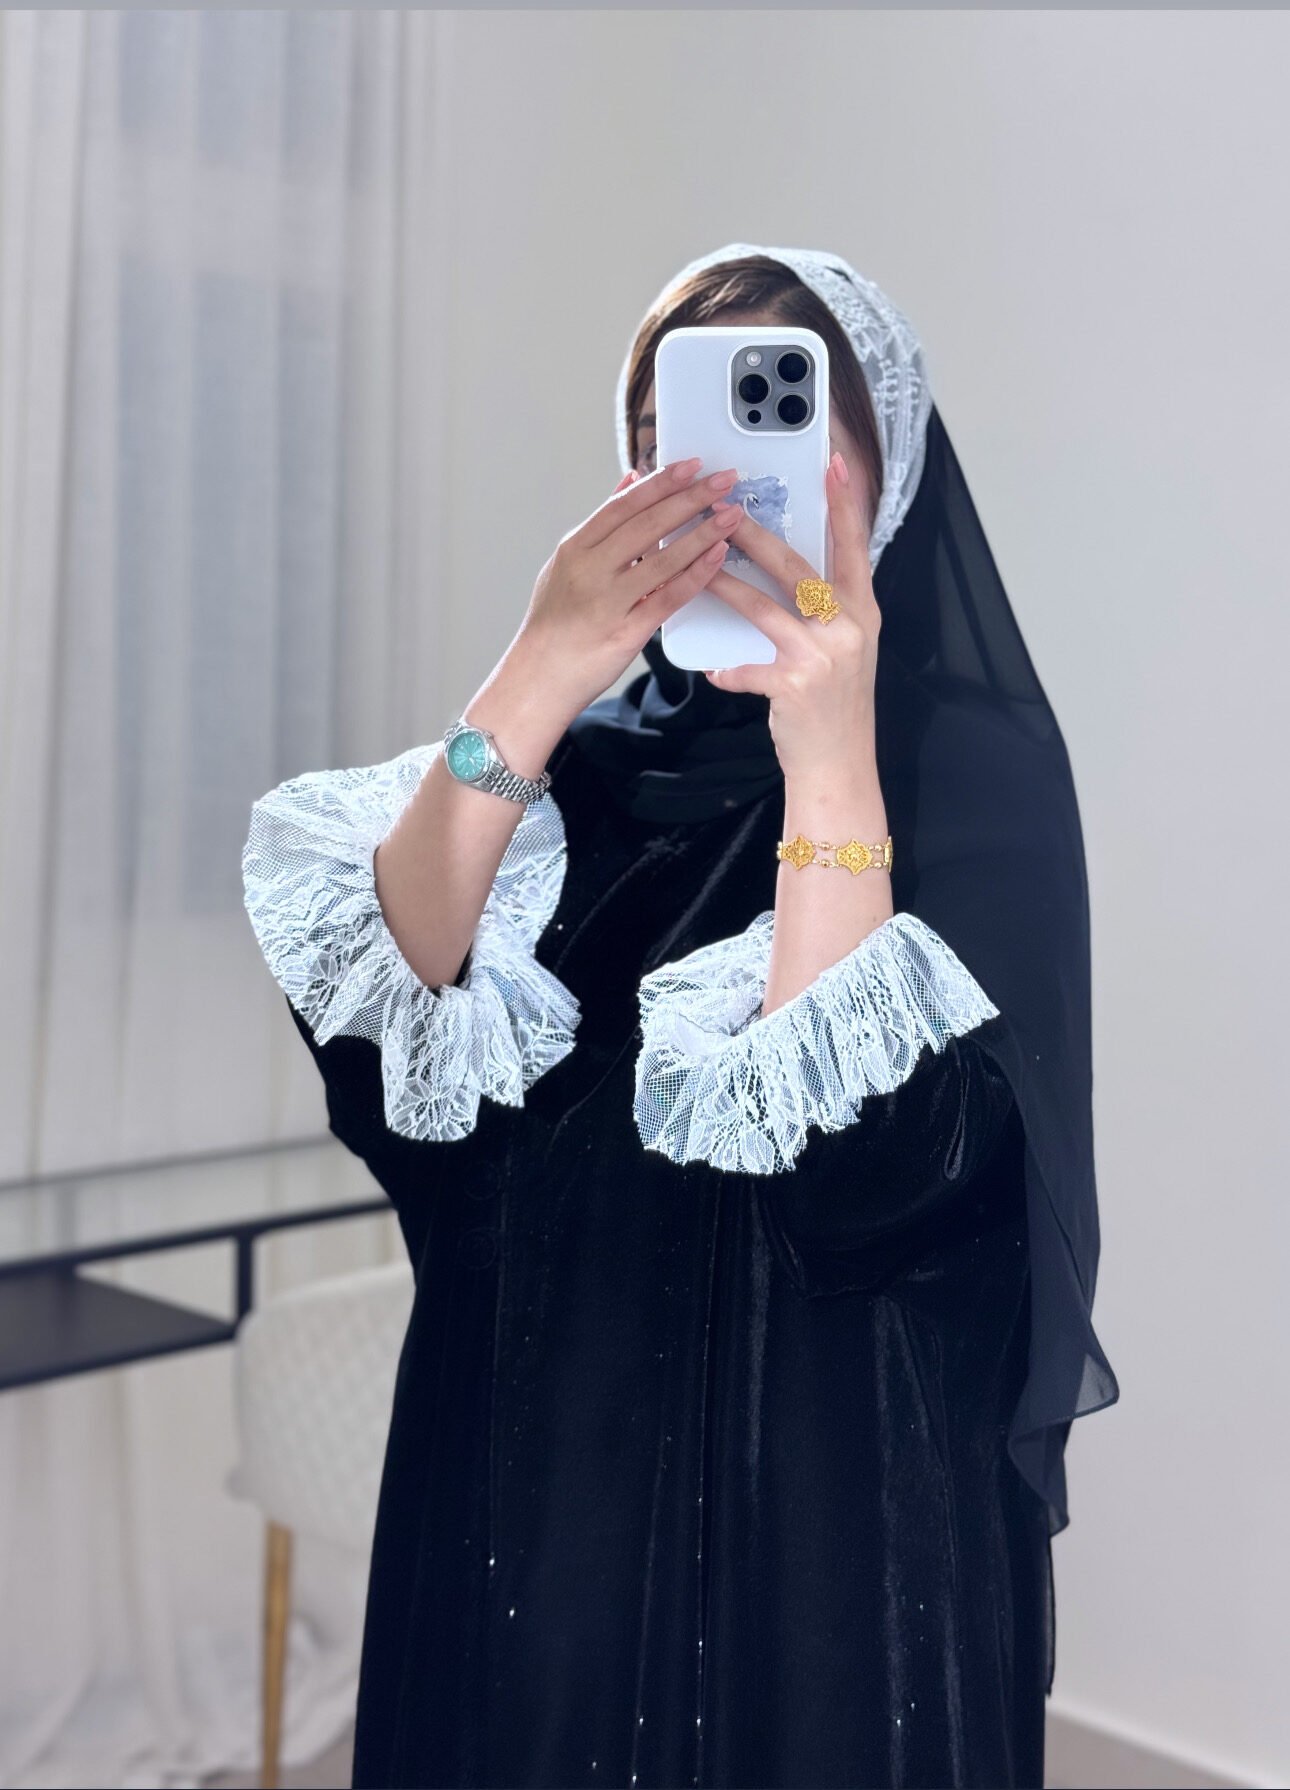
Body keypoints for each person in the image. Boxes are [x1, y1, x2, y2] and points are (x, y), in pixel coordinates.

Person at [241, 242, 1119, 1790]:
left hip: (825, 1496)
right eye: (664, 436)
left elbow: (881, 1169)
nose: (716, 476)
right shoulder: (578, 761)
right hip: (536, 1455)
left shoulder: (967, 766)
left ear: (881, 468)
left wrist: (827, 749)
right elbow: (394, 1032)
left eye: (779, 418)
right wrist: (537, 669)